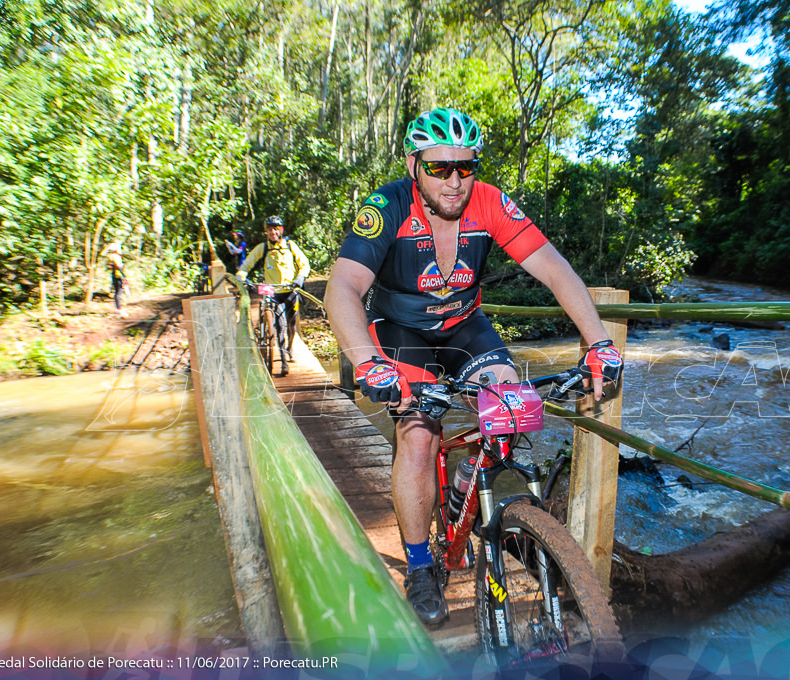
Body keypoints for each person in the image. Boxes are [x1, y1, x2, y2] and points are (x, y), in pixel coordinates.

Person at [324, 107, 625, 626]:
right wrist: (370, 363)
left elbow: (555, 268)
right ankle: (421, 566)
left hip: (465, 327)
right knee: (418, 435)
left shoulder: (489, 202)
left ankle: (470, 479)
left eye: (466, 167)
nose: (455, 180)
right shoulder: (387, 205)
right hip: (403, 332)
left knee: (511, 406)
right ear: (415, 166)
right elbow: (342, 289)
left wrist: (599, 341)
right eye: (440, 168)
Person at [236, 216, 311, 375]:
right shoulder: (263, 248)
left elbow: (304, 263)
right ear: (266, 231)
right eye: (270, 229)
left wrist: (300, 277)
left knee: (291, 324)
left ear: (281, 230)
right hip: (272, 291)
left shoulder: (290, 246)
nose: (273, 232)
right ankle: (283, 361)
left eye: (276, 229)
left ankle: (290, 348)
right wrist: (241, 276)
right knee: (280, 325)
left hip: (290, 290)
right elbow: (247, 264)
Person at [105, 243, 128, 318]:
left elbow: (110, 267)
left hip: (114, 276)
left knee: (117, 292)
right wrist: (124, 276)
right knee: (119, 292)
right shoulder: (116, 257)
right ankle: (120, 309)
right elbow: (119, 266)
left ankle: (118, 308)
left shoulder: (110, 257)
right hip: (119, 276)